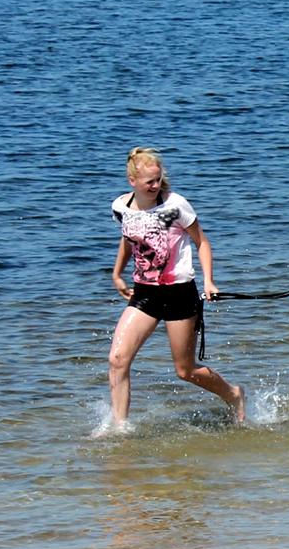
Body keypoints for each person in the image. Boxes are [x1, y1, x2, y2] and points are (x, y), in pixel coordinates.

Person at [97, 147, 245, 437]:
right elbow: (129, 240)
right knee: (117, 360)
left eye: (158, 179)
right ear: (132, 180)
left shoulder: (175, 205)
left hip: (179, 292)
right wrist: (117, 273)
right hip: (145, 293)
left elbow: (202, 242)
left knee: (185, 370)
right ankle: (119, 428)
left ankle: (234, 394)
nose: (156, 185)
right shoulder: (121, 207)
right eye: (149, 181)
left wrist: (209, 281)